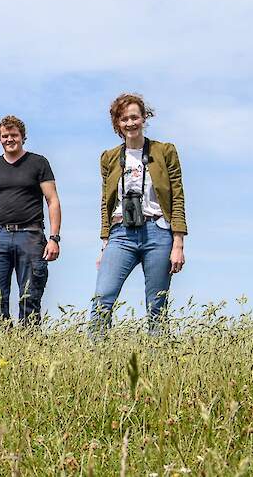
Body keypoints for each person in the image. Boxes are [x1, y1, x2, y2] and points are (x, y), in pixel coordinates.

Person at [90, 94, 187, 334]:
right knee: (102, 298)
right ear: (117, 124)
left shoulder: (164, 151)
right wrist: (105, 241)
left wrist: (178, 243)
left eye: (135, 117)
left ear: (144, 118)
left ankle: (157, 364)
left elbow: (177, 196)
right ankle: (97, 360)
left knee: (157, 305)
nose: (130, 123)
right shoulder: (109, 157)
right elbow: (106, 201)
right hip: (121, 233)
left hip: (158, 232)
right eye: (124, 119)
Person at [0, 115, 61, 324]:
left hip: (31, 236)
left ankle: (28, 345)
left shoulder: (38, 163)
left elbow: (52, 201)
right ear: (0, 139)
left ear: (22, 136)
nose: (9, 139)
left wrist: (54, 238)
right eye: (5, 136)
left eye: (14, 135)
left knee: (30, 295)